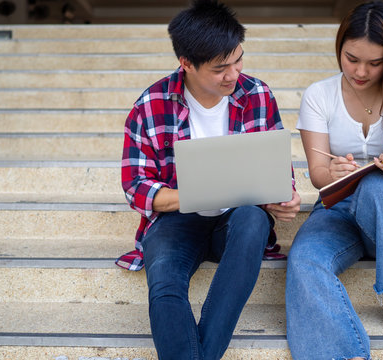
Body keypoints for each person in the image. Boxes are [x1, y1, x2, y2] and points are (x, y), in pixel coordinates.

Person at [117, 1, 301, 359]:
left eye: (238, 60)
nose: (233, 74)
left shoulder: (257, 95)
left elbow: (279, 172)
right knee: (166, 281)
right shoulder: (151, 104)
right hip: (176, 221)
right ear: (186, 63)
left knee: (251, 218)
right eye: (220, 68)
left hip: (236, 222)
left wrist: (284, 198)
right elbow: (136, 187)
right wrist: (195, 195)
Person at [285, 1, 383, 359]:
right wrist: (332, 173)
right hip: (337, 211)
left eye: (375, 62)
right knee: (305, 259)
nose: (361, 71)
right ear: (340, 47)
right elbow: (318, 176)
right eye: (352, 58)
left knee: (379, 185)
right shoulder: (319, 95)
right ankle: (344, 353)